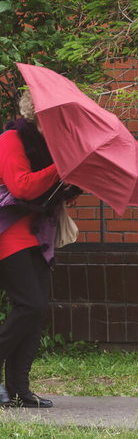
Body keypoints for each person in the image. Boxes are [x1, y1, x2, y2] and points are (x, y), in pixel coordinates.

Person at [0, 91, 80, 408]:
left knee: (36, 314)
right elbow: (21, 186)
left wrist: (72, 181)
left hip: (40, 235)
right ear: (36, 113)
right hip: (9, 233)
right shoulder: (10, 140)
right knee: (29, 306)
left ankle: (19, 389)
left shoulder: (53, 148)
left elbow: (50, 190)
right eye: (54, 115)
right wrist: (61, 167)